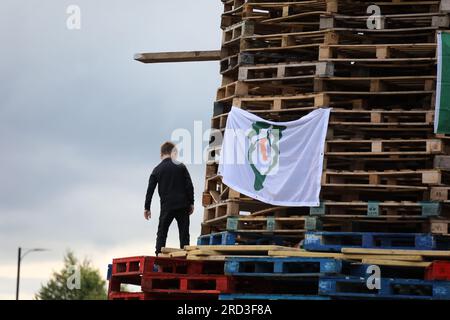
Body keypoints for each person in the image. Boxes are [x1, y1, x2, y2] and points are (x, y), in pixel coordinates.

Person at [144, 142, 194, 255]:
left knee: (162, 232)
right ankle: (185, 258)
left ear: (161, 154)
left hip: (167, 206)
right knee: (184, 233)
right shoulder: (181, 166)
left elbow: (150, 190)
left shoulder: (157, 169)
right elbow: (189, 186)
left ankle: (158, 257)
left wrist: (147, 207)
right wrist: (191, 203)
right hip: (183, 205)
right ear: (173, 153)